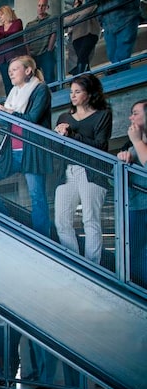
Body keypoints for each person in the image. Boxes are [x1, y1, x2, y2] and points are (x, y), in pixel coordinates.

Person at [0, 55, 52, 238]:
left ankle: (42, 240)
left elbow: (32, 119)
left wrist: (7, 112)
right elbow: (8, 121)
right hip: (12, 152)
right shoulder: (14, 94)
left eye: (15, 70)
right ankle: (7, 221)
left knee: (37, 197)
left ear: (28, 71)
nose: (10, 73)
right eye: (9, 70)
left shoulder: (40, 89)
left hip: (31, 151)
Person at [54, 73, 112, 265]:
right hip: (67, 172)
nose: (73, 95)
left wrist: (72, 135)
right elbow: (57, 148)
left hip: (91, 171)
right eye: (71, 92)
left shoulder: (102, 115)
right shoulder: (63, 117)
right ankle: (74, 264)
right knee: (61, 221)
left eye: (78, 91)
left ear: (89, 93)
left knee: (90, 220)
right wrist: (60, 136)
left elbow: (100, 147)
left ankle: (92, 266)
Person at [117, 99, 147, 288]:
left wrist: (137, 141)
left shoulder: (135, 142)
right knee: (133, 256)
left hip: (142, 208)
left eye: (135, 113)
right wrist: (120, 161)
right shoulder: (130, 145)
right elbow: (114, 180)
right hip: (135, 207)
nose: (131, 117)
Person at [0, 6, 25, 96]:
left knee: (18, 79)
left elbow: (14, 32)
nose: (0, 17)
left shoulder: (17, 22)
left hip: (15, 56)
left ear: (7, 13)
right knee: (7, 81)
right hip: (3, 58)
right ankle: (10, 100)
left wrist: (0, 34)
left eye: (1, 15)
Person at [65, 0, 100, 75]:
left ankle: (80, 78)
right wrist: (79, 15)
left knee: (82, 57)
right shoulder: (72, 8)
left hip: (90, 32)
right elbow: (66, 21)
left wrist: (74, 18)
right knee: (84, 59)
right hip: (76, 37)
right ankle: (87, 80)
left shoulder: (89, 2)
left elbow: (88, 11)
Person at [27, 0, 58, 84]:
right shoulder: (30, 24)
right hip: (33, 55)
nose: (40, 8)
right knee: (34, 80)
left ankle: (53, 95)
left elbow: (54, 34)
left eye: (43, 6)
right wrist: (29, 55)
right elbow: (26, 41)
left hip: (46, 53)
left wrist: (49, 50)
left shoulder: (52, 19)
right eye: (39, 5)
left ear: (47, 7)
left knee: (49, 77)